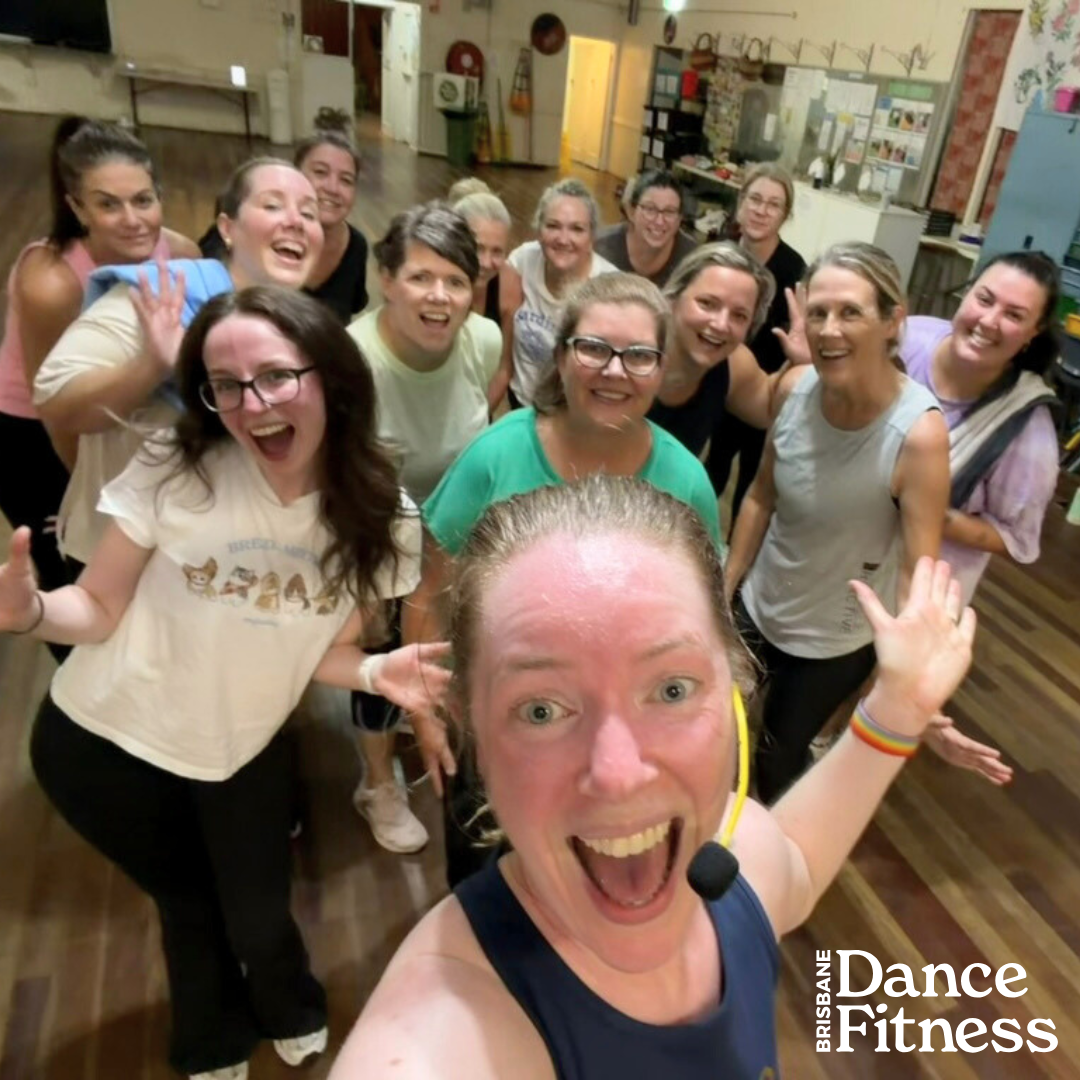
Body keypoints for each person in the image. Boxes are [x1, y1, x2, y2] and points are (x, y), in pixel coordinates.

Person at [330, 476, 976, 1080]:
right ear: (475, 738)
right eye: (541, 710)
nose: (618, 777)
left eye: (670, 689)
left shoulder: (738, 851)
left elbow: (796, 869)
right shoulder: (440, 1033)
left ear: (735, 688)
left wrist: (898, 709)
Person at [0, 286, 448, 1080]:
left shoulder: (383, 516)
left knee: (257, 909)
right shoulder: (179, 465)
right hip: (101, 745)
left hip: (239, 749)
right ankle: (211, 1035)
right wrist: (31, 608)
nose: (254, 404)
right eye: (227, 385)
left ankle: (289, 1003)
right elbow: (98, 605)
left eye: (277, 376)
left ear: (331, 378)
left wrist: (377, 668)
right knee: (189, 902)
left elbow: (312, 648)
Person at [402, 273, 722, 886]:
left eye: (639, 356)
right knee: (480, 876)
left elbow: (702, 619)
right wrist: (428, 707)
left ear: (661, 372)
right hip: (494, 717)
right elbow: (431, 591)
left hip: (620, 734)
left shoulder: (683, 481)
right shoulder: (495, 457)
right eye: (594, 348)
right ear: (562, 356)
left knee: (587, 871)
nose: (614, 371)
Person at [724, 242, 950, 803]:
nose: (829, 330)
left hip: (832, 642)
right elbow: (758, 498)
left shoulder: (917, 435)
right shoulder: (796, 389)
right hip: (759, 604)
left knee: (777, 763)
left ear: (893, 321)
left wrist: (915, 684)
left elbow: (918, 575)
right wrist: (724, 590)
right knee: (723, 735)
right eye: (819, 312)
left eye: (850, 312)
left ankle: (777, 871)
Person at [34, 157, 323, 572]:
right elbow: (56, 401)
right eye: (273, 205)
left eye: (309, 213)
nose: (295, 221)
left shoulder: (302, 328)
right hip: (125, 569)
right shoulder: (165, 296)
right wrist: (152, 366)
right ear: (227, 228)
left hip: (221, 565)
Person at [345, 202, 502, 853]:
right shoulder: (352, 359)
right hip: (377, 531)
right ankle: (377, 780)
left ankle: (426, 722)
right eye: (421, 277)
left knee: (448, 651)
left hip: (454, 535)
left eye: (457, 281)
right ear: (386, 279)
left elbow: (484, 422)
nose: (440, 296)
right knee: (384, 659)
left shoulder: (484, 339)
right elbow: (336, 479)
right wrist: (361, 586)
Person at [0, 117, 197, 620]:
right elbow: (58, 412)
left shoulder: (178, 253)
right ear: (77, 207)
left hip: (127, 408)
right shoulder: (52, 282)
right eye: (108, 204)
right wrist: (95, 499)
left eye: (143, 200)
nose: (132, 219)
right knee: (74, 571)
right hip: (34, 436)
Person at [900, 250, 1061, 606]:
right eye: (984, 299)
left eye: (1014, 315)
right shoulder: (908, 339)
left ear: (1032, 333)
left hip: (924, 595)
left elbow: (1015, 539)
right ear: (967, 293)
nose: (989, 321)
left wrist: (929, 513)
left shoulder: (1025, 429)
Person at [648, 243, 808, 491]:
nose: (721, 324)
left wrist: (802, 360)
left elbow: (766, 407)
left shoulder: (733, 363)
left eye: (739, 316)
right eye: (707, 303)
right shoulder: (630, 351)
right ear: (672, 299)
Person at [708, 164, 807, 519]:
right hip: (717, 380)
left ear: (784, 215)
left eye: (773, 204)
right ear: (741, 201)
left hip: (763, 392)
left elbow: (797, 345)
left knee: (751, 482)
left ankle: (738, 564)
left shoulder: (793, 270)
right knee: (710, 471)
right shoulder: (719, 253)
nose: (761, 210)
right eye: (755, 199)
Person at [200, 131, 368, 324]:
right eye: (320, 172)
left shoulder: (356, 246)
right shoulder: (237, 232)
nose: (332, 188)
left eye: (346, 180)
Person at [492, 178, 618, 410]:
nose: (563, 239)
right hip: (522, 402)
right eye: (553, 226)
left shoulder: (610, 288)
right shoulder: (521, 262)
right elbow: (504, 353)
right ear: (538, 230)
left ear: (591, 237)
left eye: (577, 229)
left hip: (574, 413)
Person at [594, 169, 697, 287]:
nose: (659, 221)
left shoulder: (692, 259)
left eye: (669, 212)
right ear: (631, 212)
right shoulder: (600, 247)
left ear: (679, 219)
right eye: (650, 209)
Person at [451, 183, 512, 326]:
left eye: (497, 251)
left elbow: (504, 348)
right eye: (478, 248)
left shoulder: (509, 287)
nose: (486, 262)